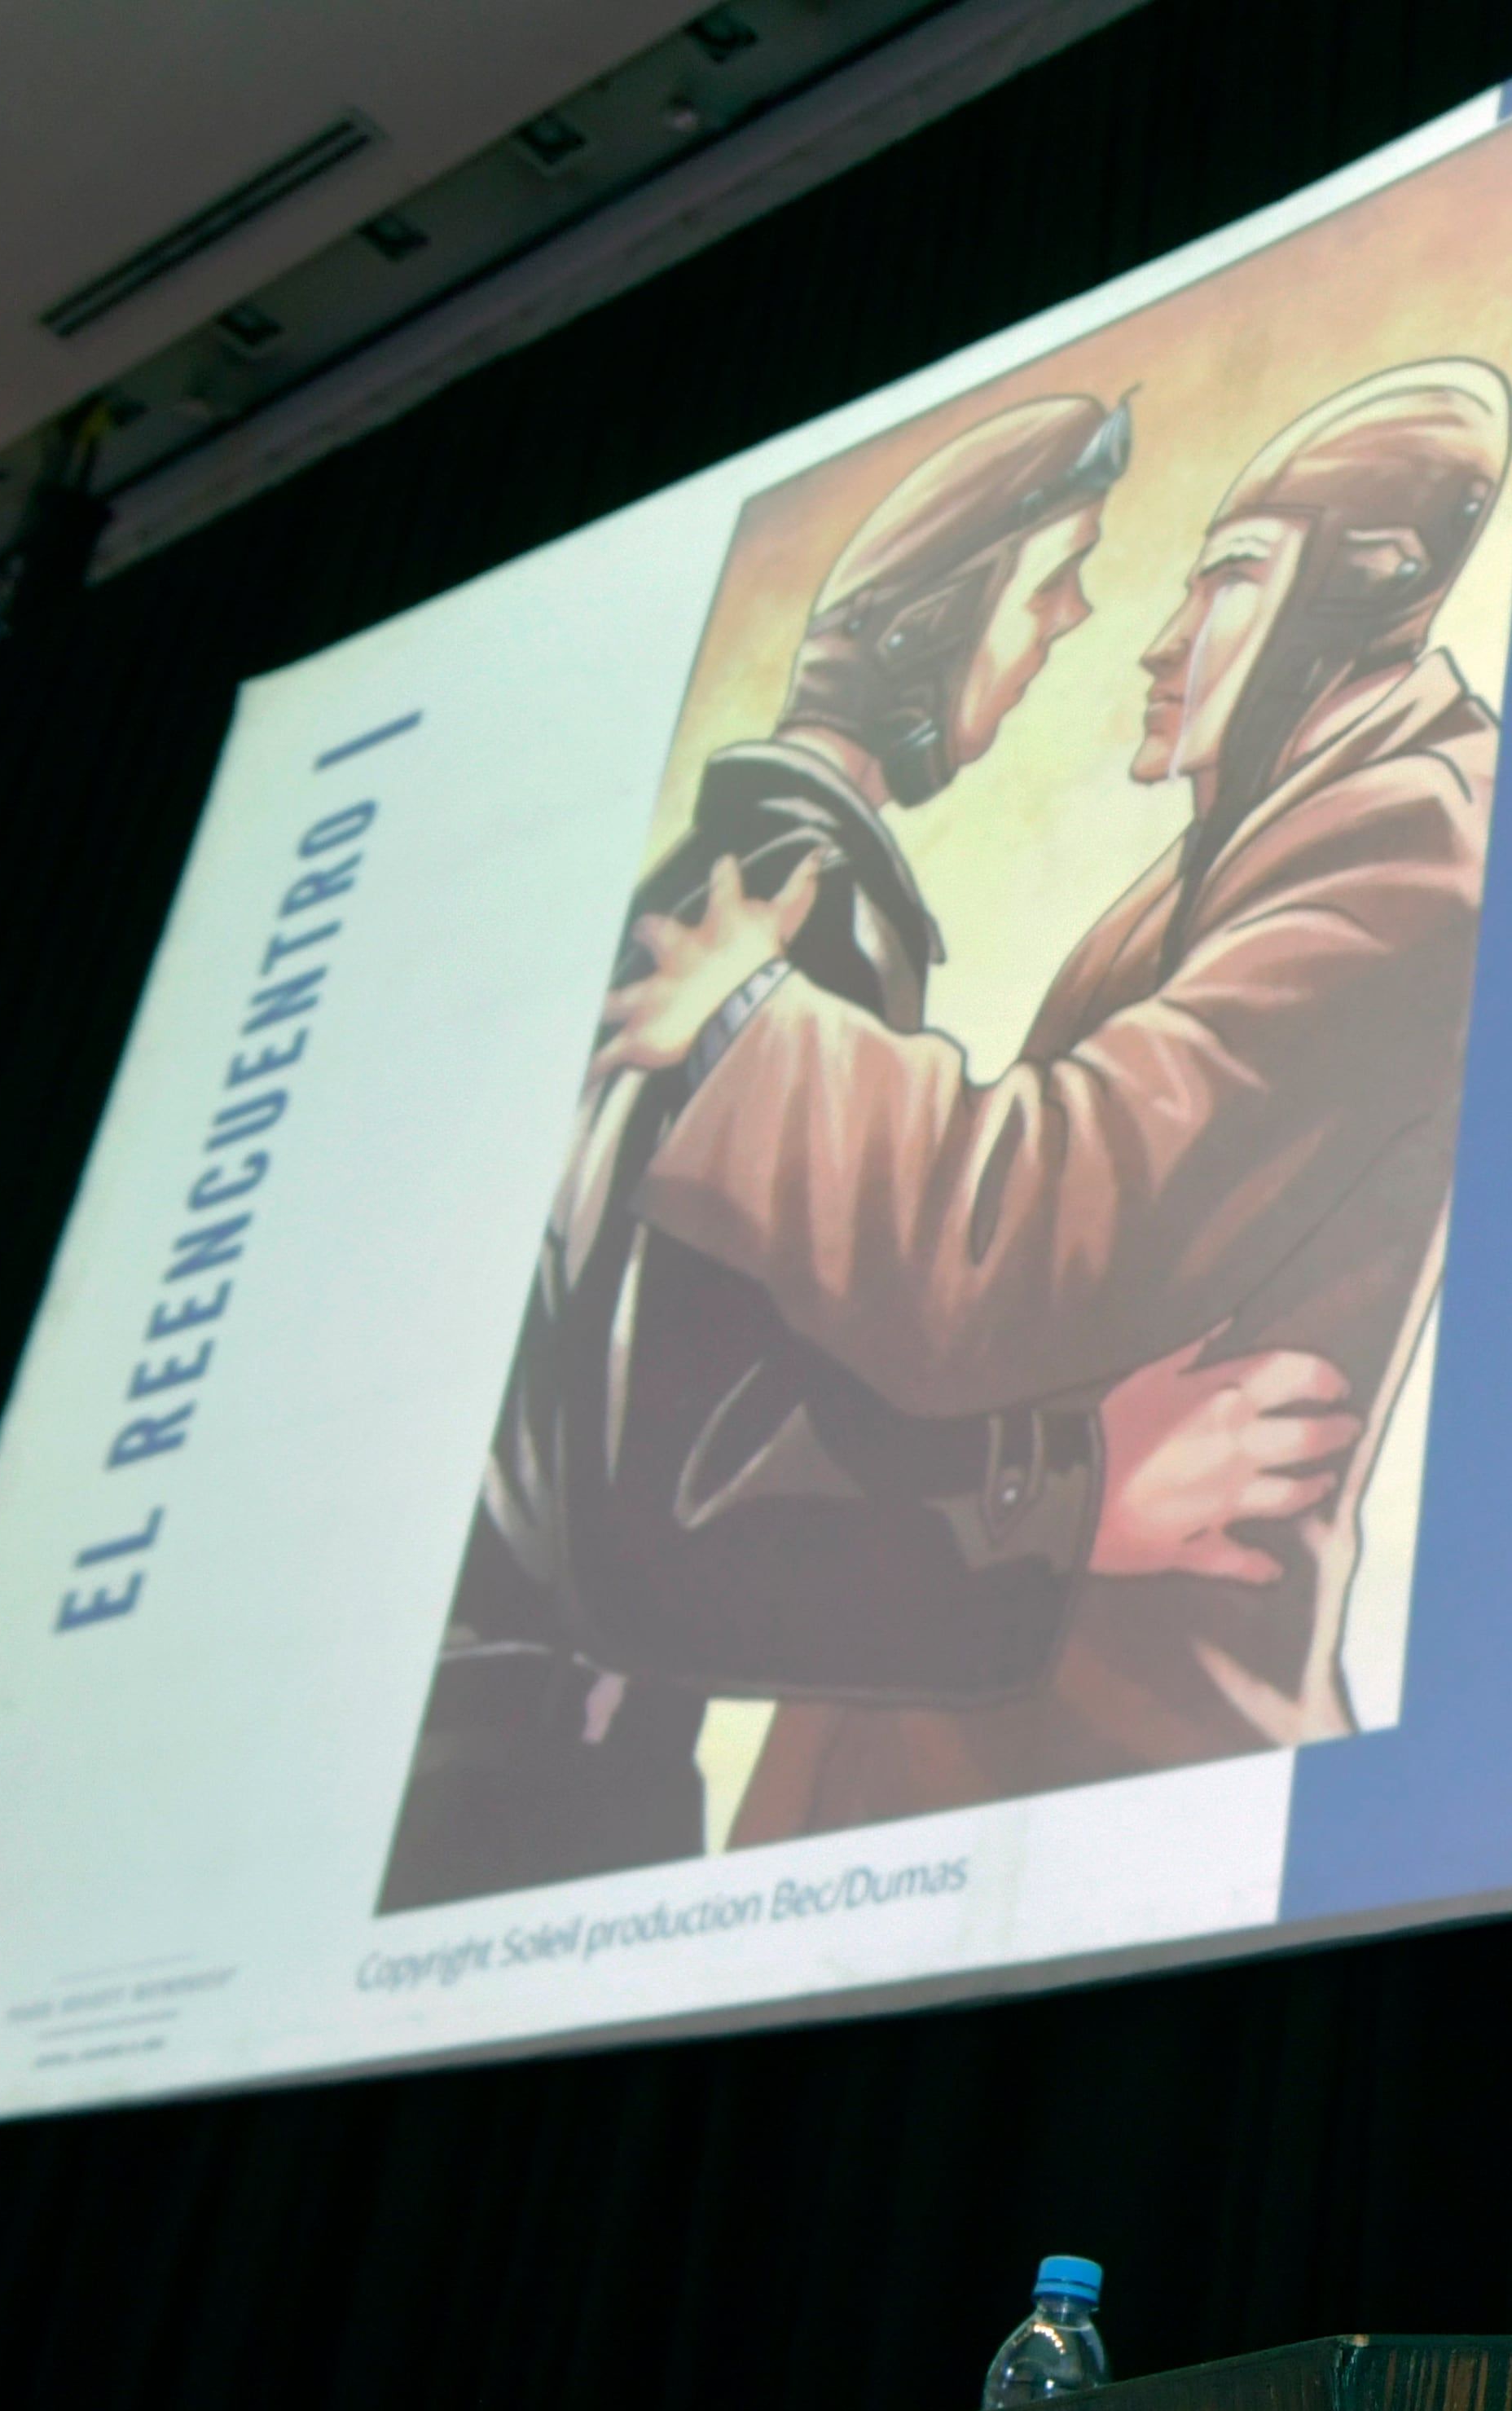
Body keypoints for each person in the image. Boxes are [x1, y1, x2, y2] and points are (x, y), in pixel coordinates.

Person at [380, 395, 1354, 1910]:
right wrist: (1074, 1488)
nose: (1072, 629)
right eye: (1048, 584)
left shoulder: (735, 885)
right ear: (939, 618)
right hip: (530, 1791)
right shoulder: (793, 905)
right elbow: (674, 1496)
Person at [586, 360, 1512, 1832]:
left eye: (1224, 581)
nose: (1154, 641)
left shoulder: (1404, 847)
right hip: (1000, 1759)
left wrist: (747, 1034)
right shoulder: (1260, 850)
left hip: (1128, 1778)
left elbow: (1029, 1232)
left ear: (1358, 593)